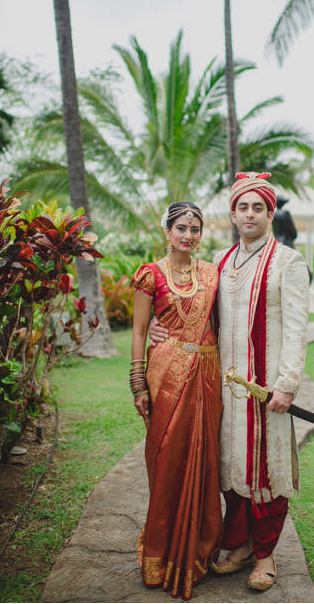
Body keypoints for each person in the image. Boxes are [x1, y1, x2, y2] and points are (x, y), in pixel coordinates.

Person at [209, 173, 308, 592]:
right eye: (242, 207)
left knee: (267, 470)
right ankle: (241, 545)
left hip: (266, 390)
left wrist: (286, 384)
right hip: (226, 390)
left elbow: (297, 328)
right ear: (233, 214)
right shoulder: (220, 261)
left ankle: (265, 556)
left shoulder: (288, 262)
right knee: (232, 467)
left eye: (258, 207)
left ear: (270, 214)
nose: (249, 214)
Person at [128, 201, 223, 600]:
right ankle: (161, 552)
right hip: (166, 375)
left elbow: (220, 323)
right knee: (167, 460)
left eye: (195, 229)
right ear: (167, 231)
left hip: (207, 375)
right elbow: (137, 332)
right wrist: (137, 382)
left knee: (204, 463)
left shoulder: (211, 273)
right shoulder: (150, 275)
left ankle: (198, 550)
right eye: (181, 227)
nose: (188, 235)